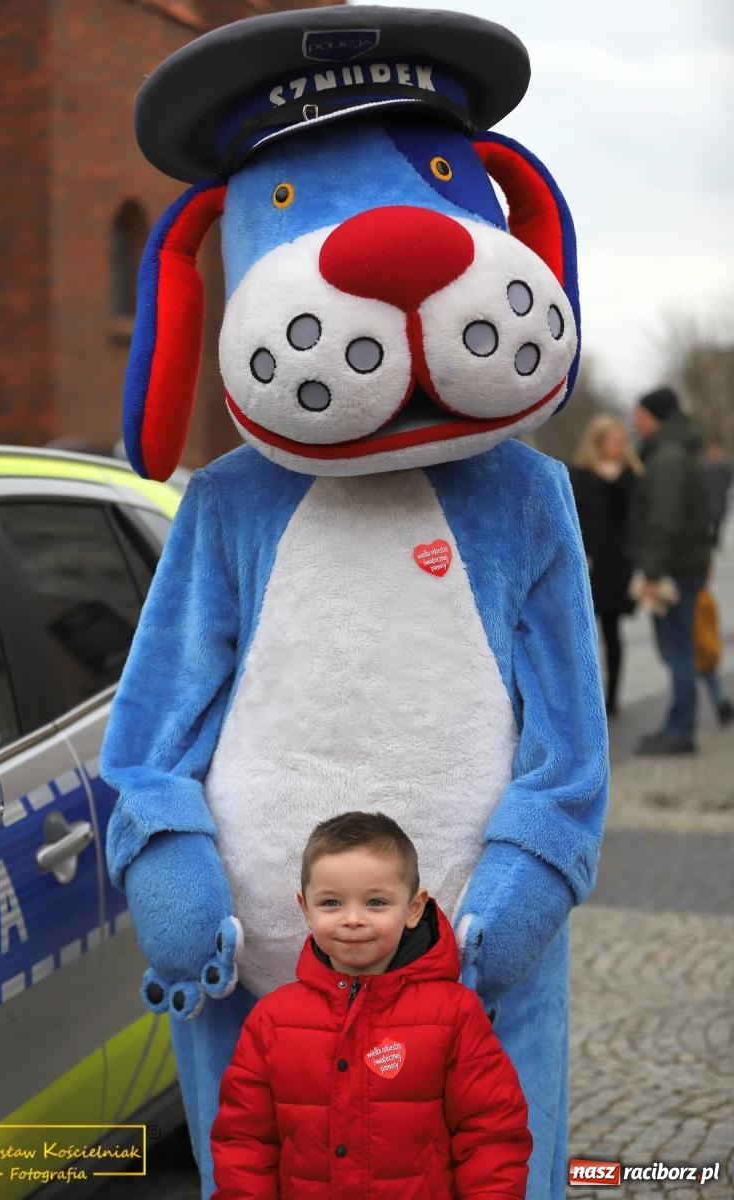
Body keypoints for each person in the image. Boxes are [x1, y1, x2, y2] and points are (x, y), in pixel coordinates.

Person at [210, 811, 532, 1199]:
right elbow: (244, 1141)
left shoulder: (454, 1015)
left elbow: (491, 1133)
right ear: (305, 908)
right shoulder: (272, 1020)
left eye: (376, 902)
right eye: (331, 903)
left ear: (414, 908)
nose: (353, 919)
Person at [629, 387, 712, 754]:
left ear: (657, 417)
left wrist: (651, 575)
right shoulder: (679, 452)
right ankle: (677, 725)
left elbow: (665, 522)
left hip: (673, 571)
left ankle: (680, 732)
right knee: (679, 651)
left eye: (641, 416)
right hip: (686, 565)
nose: (636, 423)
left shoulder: (667, 459)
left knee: (677, 653)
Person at [570, 414, 642, 716]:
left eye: (623, 441)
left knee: (613, 632)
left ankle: (612, 697)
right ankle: (587, 696)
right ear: (598, 442)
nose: (620, 446)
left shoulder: (632, 475)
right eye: (615, 441)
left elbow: (636, 520)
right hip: (589, 564)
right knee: (585, 633)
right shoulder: (579, 474)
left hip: (618, 565)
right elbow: (574, 518)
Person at [694, 582, 734, 725]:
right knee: (710, 679)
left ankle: (720, 704)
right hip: (703, 651)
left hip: (701, 652)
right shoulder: (702, 599)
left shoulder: (701, 598)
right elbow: (703, 631)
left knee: (708, 680)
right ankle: (720, 704)